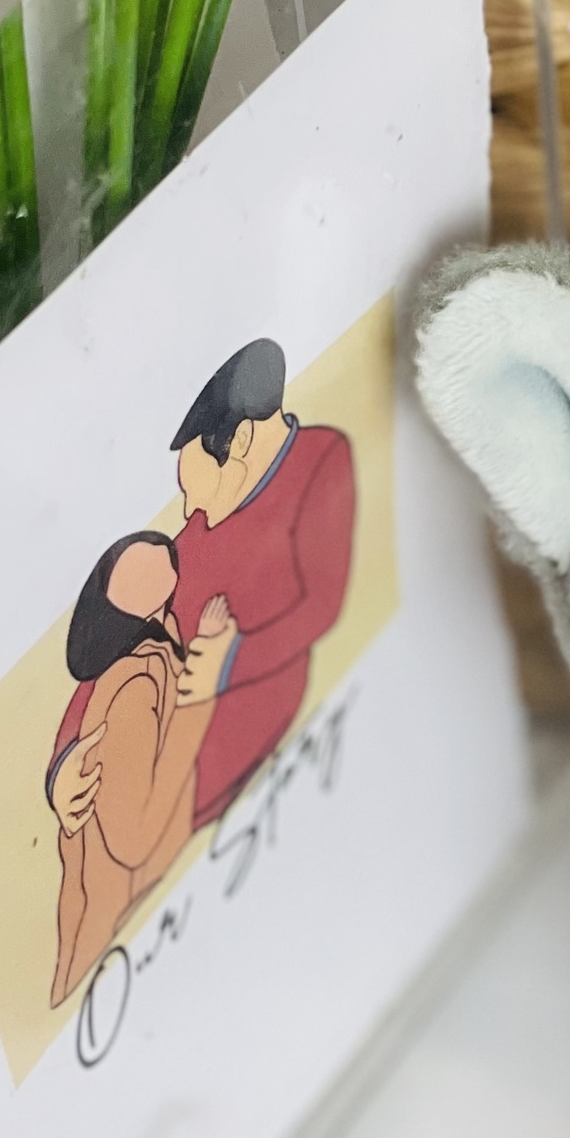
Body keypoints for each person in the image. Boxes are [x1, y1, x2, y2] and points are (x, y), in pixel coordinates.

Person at [48, 340, 356, 845]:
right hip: (153, 750)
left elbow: (321, 605)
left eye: (198, 489)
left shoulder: (321, 458)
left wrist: (231, 661)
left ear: (240, 442)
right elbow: (115, 635)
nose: (190, 509)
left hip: (233, 747)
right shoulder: (196, 533)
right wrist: (62, 762)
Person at [49, 534, 238, 1009]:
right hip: (118, 936)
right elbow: (134, 838)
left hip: (180, 896)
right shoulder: (132, 686)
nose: (158, 553)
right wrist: (201, 693)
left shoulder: (166, 634)